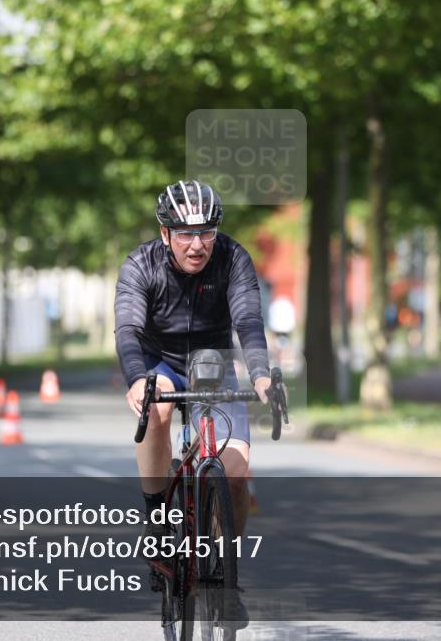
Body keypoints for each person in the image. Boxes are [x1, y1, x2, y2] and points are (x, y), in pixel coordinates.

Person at [115, 180, 270, 628]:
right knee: (159, 411)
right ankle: (157, 521)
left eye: (206, 232)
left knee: (237, 475)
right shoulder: (140, 265)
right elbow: (127, 328)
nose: (197, 244)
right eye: (184, 233)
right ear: (165, 234)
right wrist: (136, 380)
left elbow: (247, 320)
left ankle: (226, 576)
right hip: (158, 362)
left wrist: (259, 373)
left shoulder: (233, 258)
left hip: (214, 363)